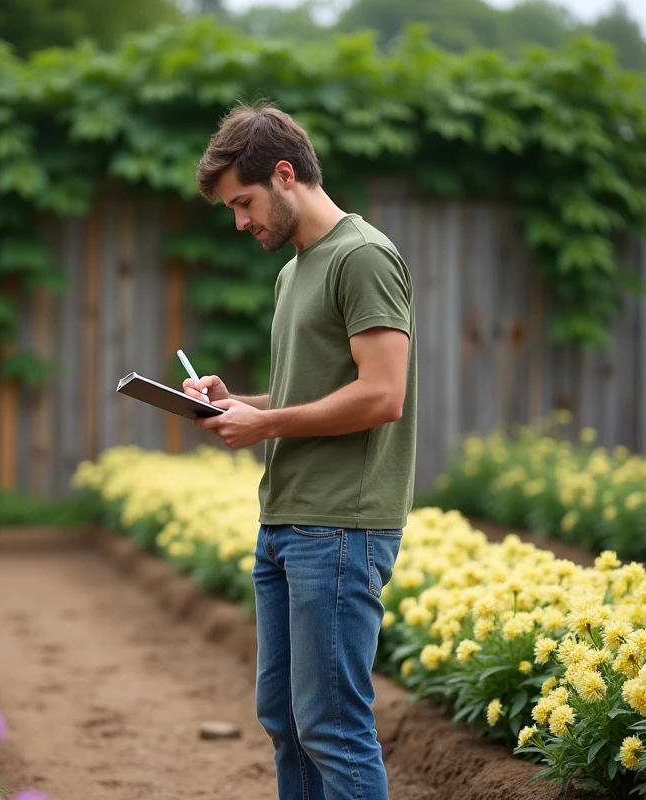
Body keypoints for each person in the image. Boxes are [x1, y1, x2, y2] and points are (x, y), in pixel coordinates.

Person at [181, 100, 417, 800]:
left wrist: (266, 425)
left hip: (340, 527)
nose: (240, 222)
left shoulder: (363, 256)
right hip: (285, 522)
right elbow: (306, 393)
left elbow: (383, 395)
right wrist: (239, 404)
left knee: (332, 729)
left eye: (244, 202)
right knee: (286, 722)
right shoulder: (294, 270)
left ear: (285, 175)